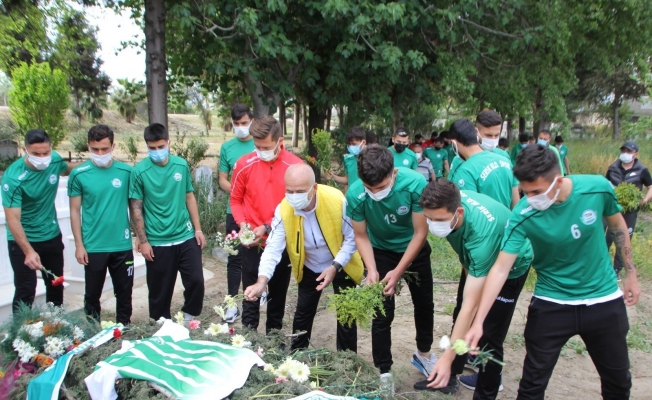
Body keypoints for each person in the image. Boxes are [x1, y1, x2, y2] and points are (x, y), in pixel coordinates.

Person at [465, 145, 640, 400]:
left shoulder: (597, 188)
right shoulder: (523, 213)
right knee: (531, 387)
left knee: (618, 383)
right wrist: (479, 321)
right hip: (551, 304)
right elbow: (501, 268)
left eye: (536, 191)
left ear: (558, 180)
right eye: (525, 191)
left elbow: (617, 225)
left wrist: (631, 274)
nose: (530, 198)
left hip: (603, 301)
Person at [414, 181, 533, 397]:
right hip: (477, 262)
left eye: (439, 220)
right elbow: (468, 299)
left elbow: (472, 305)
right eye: (428, 218)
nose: (433, 225)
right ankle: (448, 377)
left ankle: (486, 391)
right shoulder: (451, 203)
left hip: (511, 266)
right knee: (462, 313)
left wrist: (447, 355)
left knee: (489, 334)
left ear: (458, 212)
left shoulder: (481, 237)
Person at [244, 164, 364, 351]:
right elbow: (273, 248)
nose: (293, 196)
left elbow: (352, 237)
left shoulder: (336, 200)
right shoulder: (284, 209)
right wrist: (261, 281)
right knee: (302, 315)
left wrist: (335, 266)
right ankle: (297, 357)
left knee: (346, 315)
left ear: (314, 187)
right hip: (310, 265)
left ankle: (347, 360)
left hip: (341, 262)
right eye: (289, 191)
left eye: (299, 191)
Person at [346, 144, 436, 390]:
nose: (376, 193)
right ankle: (384, 371)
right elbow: (361, 235)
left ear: (394, 173)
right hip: (381, 250)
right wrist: (372, 269)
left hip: (413, 248)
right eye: (370, 188)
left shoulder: (415, 183)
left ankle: (424, 354)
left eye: (382, 187)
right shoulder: (355, 194)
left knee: (424, 303)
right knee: (382, 312)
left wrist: (398, 272)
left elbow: (420, 232)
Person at [230, 115, 303, 333]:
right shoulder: (244, 164)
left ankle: (273, 338)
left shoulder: (295, 167)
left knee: (277, 293)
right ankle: (248, 338)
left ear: (280, 141)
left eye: (266, 147)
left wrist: (268, 226)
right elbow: (235, 200)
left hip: (282, 240)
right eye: (257, 146)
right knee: (251, 291)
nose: (261, 151)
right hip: (253, 242)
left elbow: (296, 206)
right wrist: (243, 225)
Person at [129, 123, 206, 323]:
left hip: (185, 235)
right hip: (157, 240)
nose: (157, 152)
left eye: (161, 146)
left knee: (196, 280)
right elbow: (135, 207)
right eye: (152, 148)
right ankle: (161, 323)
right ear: (146, 146)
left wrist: (198, 229)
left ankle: (189, 315)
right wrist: (142, 240)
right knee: (159, 289)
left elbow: (189, 197)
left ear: (168, 143)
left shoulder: (180, 165)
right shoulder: (139, 172)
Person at [2, 129, 75, 313]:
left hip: (50, 235)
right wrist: (28, 251)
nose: (42, 157)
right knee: (26, 289)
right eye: (36, 153)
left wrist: (93, 164)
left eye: (45, 152)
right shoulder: (13, 178)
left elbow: (67, 168)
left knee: (55, 284)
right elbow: (13, 219)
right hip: (22, 240)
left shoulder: (55, 160)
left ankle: (56, 327)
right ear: (25, 150)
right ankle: (19, 334)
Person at [68, 125, 134, 325]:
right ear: (89, 147)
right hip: (93, 246)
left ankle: (124, 328)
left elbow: (136, 207)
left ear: (113, 146)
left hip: (121, 245)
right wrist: (79, 245)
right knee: (92, 294)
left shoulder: (126, 172)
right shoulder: (79, 174)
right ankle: (92, 330)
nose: (100, 153)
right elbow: (74, 211)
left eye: (104, 149)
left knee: (124, 291)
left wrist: (141, 237)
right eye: (95, 149)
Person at [217, 104, 256, 323]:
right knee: (235, 259)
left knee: (256, 257)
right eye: (236, 124)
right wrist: (236, 192)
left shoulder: (259, 144)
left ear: (251, 121)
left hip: (256, 212)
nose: (240, 127)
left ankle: (256, 294)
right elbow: (223, 177)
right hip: (234, 210)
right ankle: (232, 303)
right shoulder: (227, 148)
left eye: (244, 123)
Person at [447, 119, 519, 209]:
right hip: (508, 221)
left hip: (484, 223)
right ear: (477, 135)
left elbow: (470, 211)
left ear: (454, 143)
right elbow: (516, 203)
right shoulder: (505, 161)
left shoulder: (465, 171)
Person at [605, 141, 652, 278]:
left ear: (635, 154)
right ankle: (602, 267)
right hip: (612, 208)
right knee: (607, 239)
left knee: (623, 240)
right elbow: (606, 185)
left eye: (629, 151)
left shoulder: (641, 170)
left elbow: (650, 186)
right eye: (623, 151)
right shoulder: (613, 168)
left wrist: (645, 199)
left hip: (630, 211)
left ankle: (616, 270)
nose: (625, 154)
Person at [325, 126, 366, 191]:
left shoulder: (371, 159)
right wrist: (333, 176)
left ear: (363, 142)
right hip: (352, 198)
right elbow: (347, 180)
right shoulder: (348, 159)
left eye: (354, 144)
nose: (351, 147)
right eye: (349, 145)